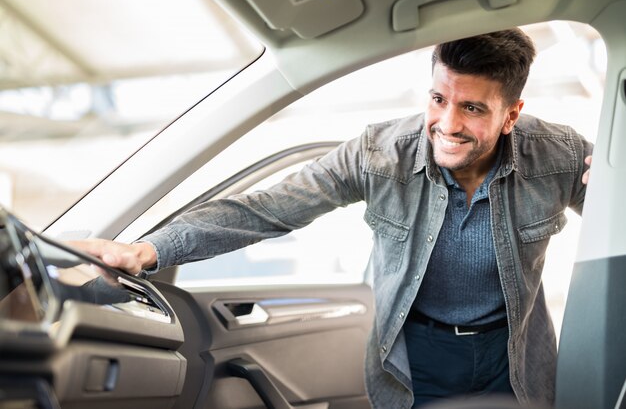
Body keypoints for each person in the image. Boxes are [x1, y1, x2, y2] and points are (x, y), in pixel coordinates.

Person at [70, 28, 593, 408]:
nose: (447, 124)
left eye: (473, 109)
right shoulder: (377, 154)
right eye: (438, 99)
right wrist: (146, 250)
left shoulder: (561, 156)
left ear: (512, 115)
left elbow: (614, 215)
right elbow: (265, 209)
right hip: (415, 357)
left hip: (515, 354)